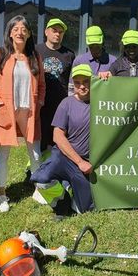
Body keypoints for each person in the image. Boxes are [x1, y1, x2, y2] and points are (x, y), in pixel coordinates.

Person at [0, 16, 45, 212]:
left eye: (24, 29)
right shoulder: (0, 54)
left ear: (28, 34)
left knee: (35, 152)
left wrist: (41, 100)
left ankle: (38, 189)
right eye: (16, 28)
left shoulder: (35, 57)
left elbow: (42, 84)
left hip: (29, 111)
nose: (20, 32)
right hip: (6, 110)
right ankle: (2, 194)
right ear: (10, 32)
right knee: (4, 153)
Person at [30, 64, 93, 216]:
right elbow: (57, 136)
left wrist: (108, 78)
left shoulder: (102, 103)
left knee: (83, 209)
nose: (82, 86)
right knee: (41, 179)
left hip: (87, 163)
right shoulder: (67, 103)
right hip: (65, 157)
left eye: (86, 82)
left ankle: (71, 188)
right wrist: (79, 162)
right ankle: (61, 202)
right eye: (77, 83)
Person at [35, 18, 75, 152]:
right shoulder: (36, 50)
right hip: (40, 103)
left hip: (60, 105)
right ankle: (35, 169)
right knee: (38, 141)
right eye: (54, 30)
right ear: (46, 32)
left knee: (57, 142)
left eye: (60, 32)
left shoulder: (69, 55)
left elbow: (72, 81)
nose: (57, 34)